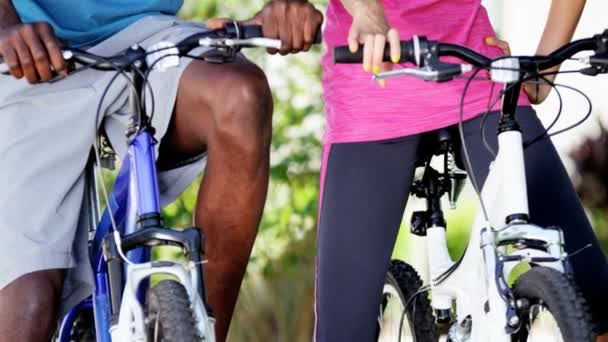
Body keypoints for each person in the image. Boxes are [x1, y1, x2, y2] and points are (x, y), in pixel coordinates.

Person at [0, 0, 322, 341]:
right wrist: (5, 25)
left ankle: (206, 333)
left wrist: (287, 7)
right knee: (30, 309)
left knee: (241, 99)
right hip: (29, 52)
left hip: (149, 39)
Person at [316, 0, 608, 341]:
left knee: (593, 300)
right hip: (375, 83)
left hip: (477, 74)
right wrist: (367, 12)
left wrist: (547, 65)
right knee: (343, 330)